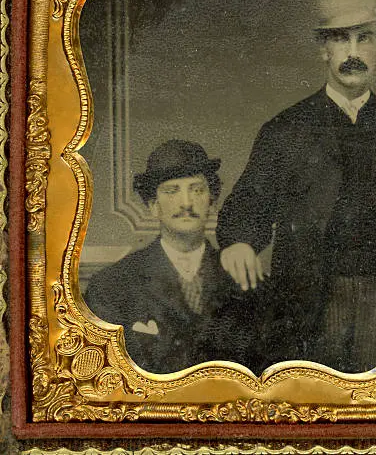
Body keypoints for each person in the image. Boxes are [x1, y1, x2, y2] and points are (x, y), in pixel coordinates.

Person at [216, 0, 376, 373]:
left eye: (365, 37)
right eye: (340, 38)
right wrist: (240, 241)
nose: (353, 51)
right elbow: (247, 206)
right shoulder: (285, 131)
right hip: (307, 306)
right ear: (323, 49)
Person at [84, 139, 258, 374]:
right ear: (153, 206)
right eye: (172, 191)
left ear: (212, 202)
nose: (186, 203)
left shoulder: (246, 281)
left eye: (197, 190)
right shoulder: (111, 287)